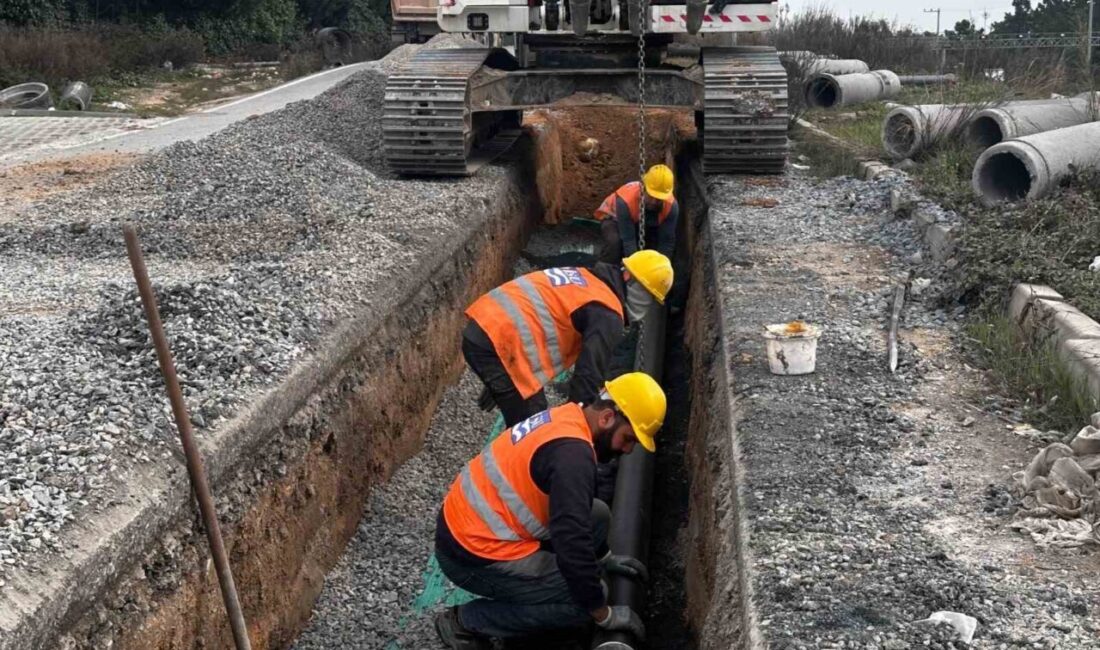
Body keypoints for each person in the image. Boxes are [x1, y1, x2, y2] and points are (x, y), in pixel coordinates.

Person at [432, 372, 667, 648]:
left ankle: (586, 574)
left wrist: (604, 558)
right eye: (628, 439)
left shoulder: (568, 416)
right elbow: (572, 545)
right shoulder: (573, 458)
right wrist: (603, 615)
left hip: (473, 526)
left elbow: (578, 523)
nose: (627, 450)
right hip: (472, 554)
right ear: (607, 418)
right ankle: (466, 621)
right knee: (584, 603)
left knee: (598, 513)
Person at [463, 250, 673, 427]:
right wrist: (577, 428)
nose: (645, 305)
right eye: (646, 295)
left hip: (485, 325)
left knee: (531, 408)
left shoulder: (586, 278)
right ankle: (514, 470)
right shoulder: (608, 313)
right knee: (532, 427)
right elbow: (588, 375)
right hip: (495, 343)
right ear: (627, 276)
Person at [594, 164, 679, 265]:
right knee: (615, 243)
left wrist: (660, 268)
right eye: (651, 196)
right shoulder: (625, 201)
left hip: (641, 221)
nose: (654, 202)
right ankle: (604, 270)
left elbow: (666, 242)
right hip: (614, 220)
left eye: (659, 199)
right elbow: (628, 240)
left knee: (653, 248)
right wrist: (635, 269)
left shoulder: (671, 207)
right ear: (643, 187)